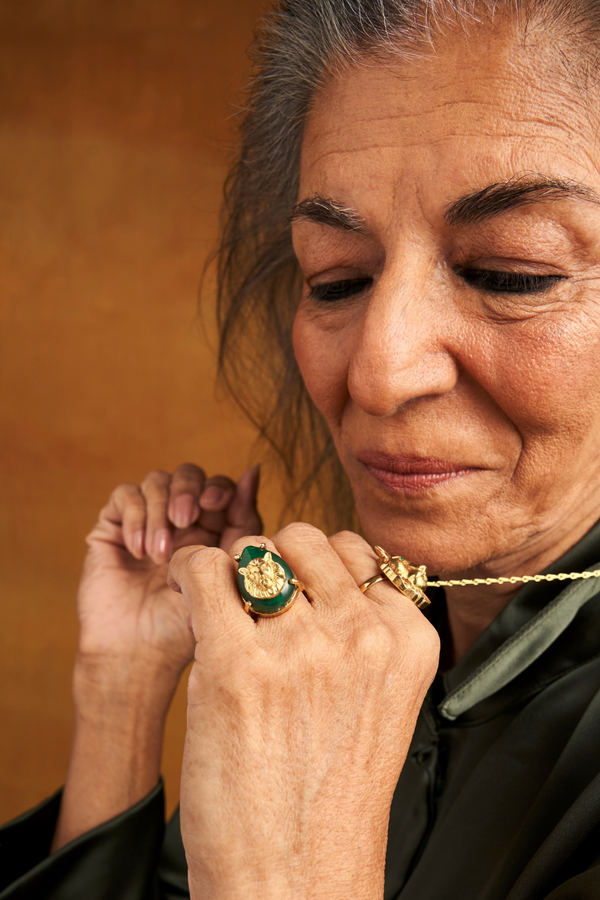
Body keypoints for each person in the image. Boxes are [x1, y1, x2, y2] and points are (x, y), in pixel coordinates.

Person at [3, 0, 600, 896]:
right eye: (337, 279)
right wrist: (121, 700)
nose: (379, 374)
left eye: (512, 273)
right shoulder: (335, 654)